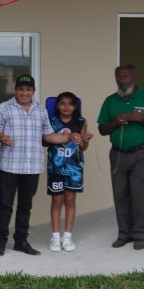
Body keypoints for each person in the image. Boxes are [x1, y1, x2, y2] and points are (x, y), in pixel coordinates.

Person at [0, 74, 69, 256]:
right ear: (16, 90)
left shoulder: (40, 110)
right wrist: (1, 137)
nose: (24, 93)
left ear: (33, 91)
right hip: (9, 166)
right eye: (21, 89)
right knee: (5, 205)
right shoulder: (4, 108)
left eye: (28, 89)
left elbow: (48, 136)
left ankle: (21, 241)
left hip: (32, 167)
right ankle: (0, 242)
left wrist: (70, 137)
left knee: (25, 206)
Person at [97, 64, 144, 250]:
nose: (121, 80)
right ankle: (124, 234)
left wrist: (143, 119)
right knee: (120, 194)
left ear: (134, 77)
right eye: (118, 76)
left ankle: (140, 234)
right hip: (118, 153)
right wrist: (114, 122)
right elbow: (102, 130)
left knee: (141, 195)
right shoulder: (110, 101)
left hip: (142, 153)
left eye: (125, 76)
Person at [45, 92, 92, 253]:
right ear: (57, 105)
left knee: (70, 201)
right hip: (56, 168)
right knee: (57, 202)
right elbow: (45, 140)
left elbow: (84, 146)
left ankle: (68, 236)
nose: (66, 106)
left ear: (75, 107)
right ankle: (56, 237)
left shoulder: (81, 121)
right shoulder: (51, 121)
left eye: (70, 104)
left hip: (74, 168)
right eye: (63, 103)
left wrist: (83, 141)